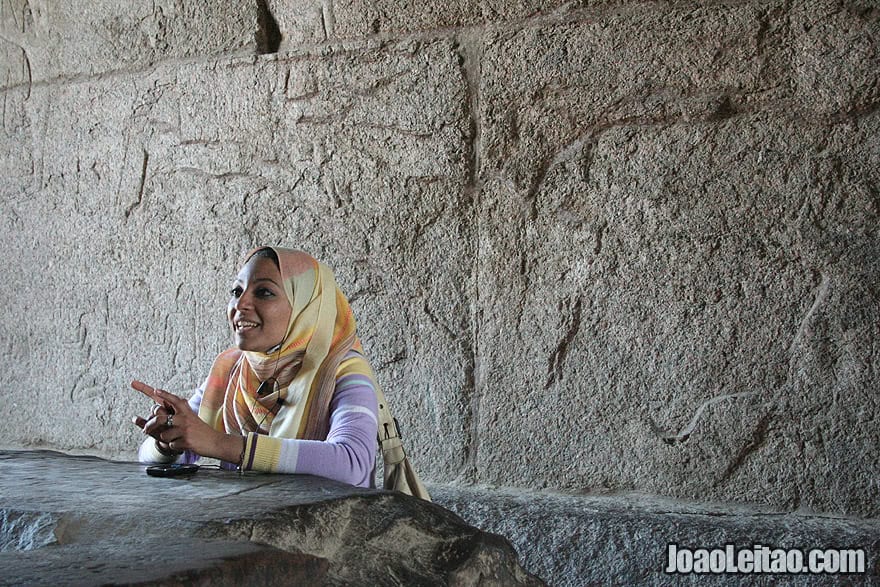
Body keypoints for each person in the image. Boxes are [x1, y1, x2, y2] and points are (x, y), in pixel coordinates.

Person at [131, 247, 379, 488]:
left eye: (264, 292)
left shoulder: (343, 370)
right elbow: (161, 453)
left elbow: (353, 463)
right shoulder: (232, 370)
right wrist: (167, 440)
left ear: (307, 306)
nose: (240, 305)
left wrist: (220, 444)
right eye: (237, 291)